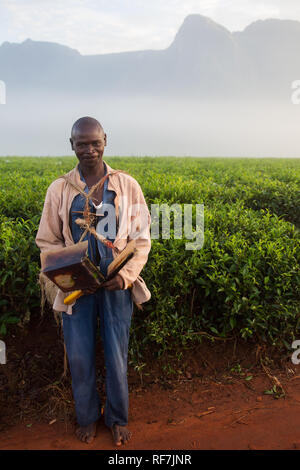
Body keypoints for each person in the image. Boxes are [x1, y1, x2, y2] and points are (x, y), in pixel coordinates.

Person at [36, 116, 151, 445]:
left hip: (116, 286)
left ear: (105, 141)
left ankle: (117, 418)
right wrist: (69, 276)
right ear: (71, 145)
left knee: (117, 353)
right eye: (81, 143)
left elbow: (141, 238)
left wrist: (126, 276)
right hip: (77, 289)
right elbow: (47, 240)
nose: (89, 149)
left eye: (94, 142)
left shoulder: (126, 185)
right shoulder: (59, 188)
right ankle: (87, 417)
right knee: (80, 355)